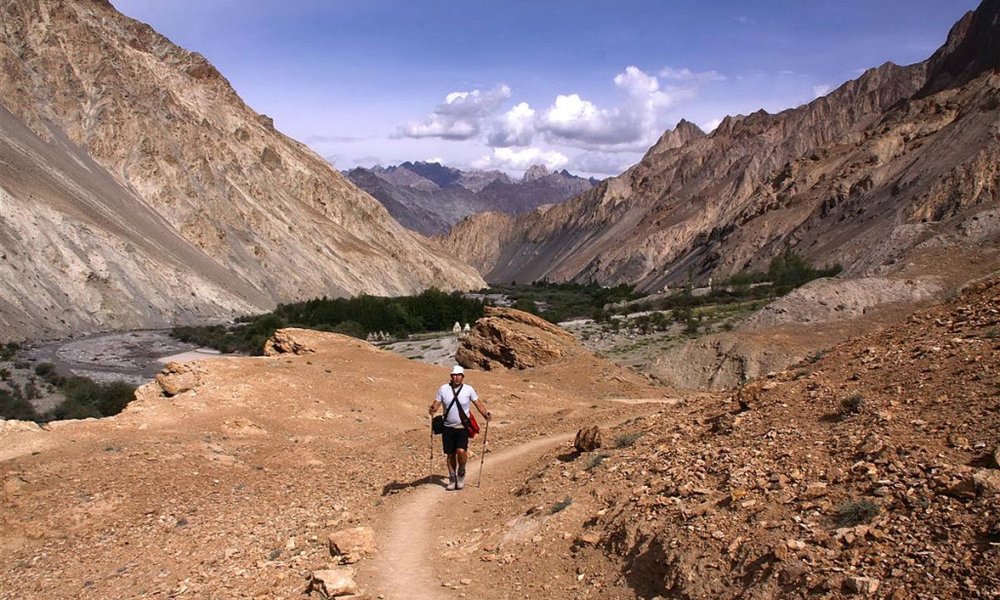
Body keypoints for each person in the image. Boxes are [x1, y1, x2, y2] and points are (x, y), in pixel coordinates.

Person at [429, 365, 491, 490]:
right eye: (454, 375)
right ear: (451, 376)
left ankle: (461, 472)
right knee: (450, 454)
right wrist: (433, 409)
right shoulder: (443, 389)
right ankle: (452, 478)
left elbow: (478, 403)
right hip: (447, 427)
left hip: (462, 427)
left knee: (461, 451)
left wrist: (485, 414)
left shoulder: (468, 389)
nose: (456, 378)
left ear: (462, 377)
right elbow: (436, 404)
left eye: (458, 375)